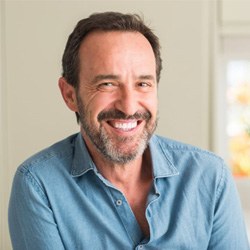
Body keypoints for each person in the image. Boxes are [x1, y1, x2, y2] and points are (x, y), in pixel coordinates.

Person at [8, 12, 249, 250]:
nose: (129, 106)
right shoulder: (39, 185)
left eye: (143, 84)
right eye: (107, 84)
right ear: (70, 95)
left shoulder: (210, 177)